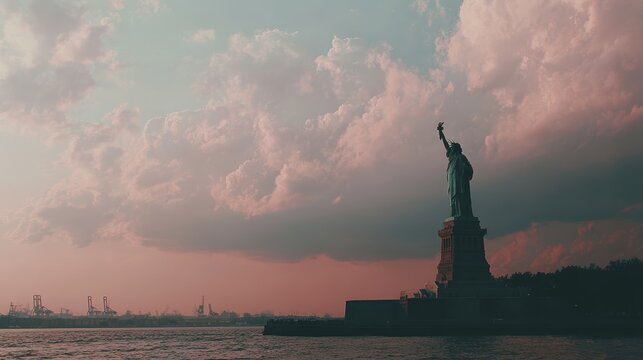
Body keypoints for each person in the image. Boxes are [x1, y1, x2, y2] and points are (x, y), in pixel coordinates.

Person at [437, 122, 474, 218]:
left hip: (461, 180)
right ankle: (455, 212)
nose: (451, 150)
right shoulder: (452, 156)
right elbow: (445, 144)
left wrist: (465, 170)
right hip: (452, 179)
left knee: (461, 196)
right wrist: (441, 132)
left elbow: (469, 168)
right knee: (454, 197)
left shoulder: (462, 157)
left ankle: (463, 213)